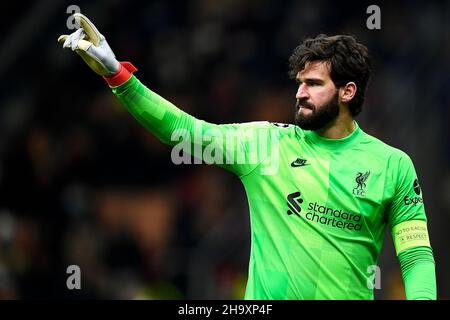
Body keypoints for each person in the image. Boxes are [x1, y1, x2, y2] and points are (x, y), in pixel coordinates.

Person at [58, 13, 436, 300]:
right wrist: (118, 76)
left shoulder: (393, 165)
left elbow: (416, 257)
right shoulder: (266, 145)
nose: (300, 93)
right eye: (299, 83)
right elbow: (186, 132)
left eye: (314, 84)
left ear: (348, 91)